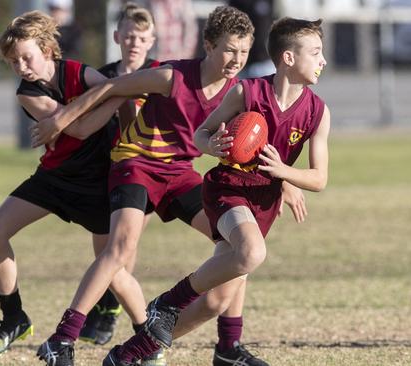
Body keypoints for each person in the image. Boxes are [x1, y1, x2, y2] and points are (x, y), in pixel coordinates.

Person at [31, 6, 274, 366]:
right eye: (228, 49)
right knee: (119, 249)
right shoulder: (172, 76)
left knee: (237, 246)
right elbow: (113, 87)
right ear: (207, 45)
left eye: (243, 51)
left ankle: (228, 346)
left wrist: (286, 181)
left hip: (179, 173)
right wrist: (63, 119)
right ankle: (62, 339)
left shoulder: (237, 91)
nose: (236, 59)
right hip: (137, 164)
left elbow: (261, 141)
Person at [104, 17, 330, 365]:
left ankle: (132, 354)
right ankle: (166, 303)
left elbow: (319, 179)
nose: (323, 61)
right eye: (315, 53)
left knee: (215, 301)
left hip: (263, 201)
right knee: (252, 253)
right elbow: (201, 135)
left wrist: (284, 175)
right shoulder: (248, 92)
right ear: (288, 58)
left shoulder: (318, 111)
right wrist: (216, 147)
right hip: (228, 190)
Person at [0, 10, 141, 359]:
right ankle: (13, 317)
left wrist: (128, 139)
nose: (22, 66)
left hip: (99, 180)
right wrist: (111, 96)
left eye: (27, 57)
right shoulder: (28, 93)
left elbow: (124, 100)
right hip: (56, 177)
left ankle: (147, 332)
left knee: (112, 269)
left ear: (47, 49)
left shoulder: (79, 72)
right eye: (13, 61)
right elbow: (80, 129)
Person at [77, 5, 164, 366]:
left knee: (122, 247)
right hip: (107, 172)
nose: (134, 43)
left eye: (142, 38)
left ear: (152, 41)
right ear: (117, 37)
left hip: (146, 172)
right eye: (128, 36)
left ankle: (121, 315)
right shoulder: (103, 76)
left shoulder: (160, 74)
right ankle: (115, 304)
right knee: (106, 253)